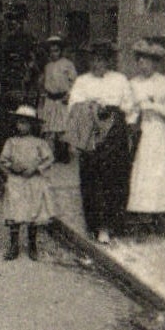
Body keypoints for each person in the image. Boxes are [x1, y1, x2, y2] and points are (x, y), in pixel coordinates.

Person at [66, 41, 138, 243]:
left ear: (109, 61)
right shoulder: (82, 81)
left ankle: (112, 223)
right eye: (94, 59)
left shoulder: (120, 80)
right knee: (91, 177)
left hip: (115, 132)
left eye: (102, 59)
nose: (98, 63)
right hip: (91, 132)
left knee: (114, 177)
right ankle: (96, 224)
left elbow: (130, 108)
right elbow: (74, 109)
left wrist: (131, 131)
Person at [127, 37, 165, 230]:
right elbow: (130, 109)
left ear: (155, 62)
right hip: (142, 131)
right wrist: (132, 116)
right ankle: (143, 213)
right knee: (143, 168)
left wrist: (153, 105)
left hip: (159, 131)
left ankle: (157, 213)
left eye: (147, 60)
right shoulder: (134, 83)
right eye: (140, 60)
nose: (143, 64)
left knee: (158, 169)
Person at [0, 105, 54, 259]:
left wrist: (36, 168)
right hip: (16, 180)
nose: (21, 126)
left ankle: (32, 245)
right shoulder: (11, 142)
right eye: (19, 122)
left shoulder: (39, 143)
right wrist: (12, 166)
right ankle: (14, 245)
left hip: (33, 181)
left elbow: (48, 159)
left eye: (25, 123)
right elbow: (3, 160)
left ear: (32, 125)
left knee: (32, 212)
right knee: (15, 211)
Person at [0, 4, 40, 155]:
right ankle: (1, 147)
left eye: (17, 20)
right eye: (11, 20)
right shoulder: (7, 40)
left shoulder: (31, 40)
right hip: (9, 82)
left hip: (25, 82)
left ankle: (27, 149)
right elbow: (0, 62)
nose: (13, 23)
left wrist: (30, 69)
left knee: (25, 112)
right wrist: (5, 72)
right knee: (5, 113)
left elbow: (37, 61)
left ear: (23, 21)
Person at [38, 35, 77, 163]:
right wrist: (44, 93)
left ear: (61, 51)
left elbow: (74, 81)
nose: (54, 54)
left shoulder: (67, 64)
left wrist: (69, 94)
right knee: (51, 128)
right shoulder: (48, 66)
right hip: (51, 98)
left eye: (56, 51)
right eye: (51, 51)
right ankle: (53, 153)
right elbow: (45, 82)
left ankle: (64, 153)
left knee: (62, 127)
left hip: (62, 99)